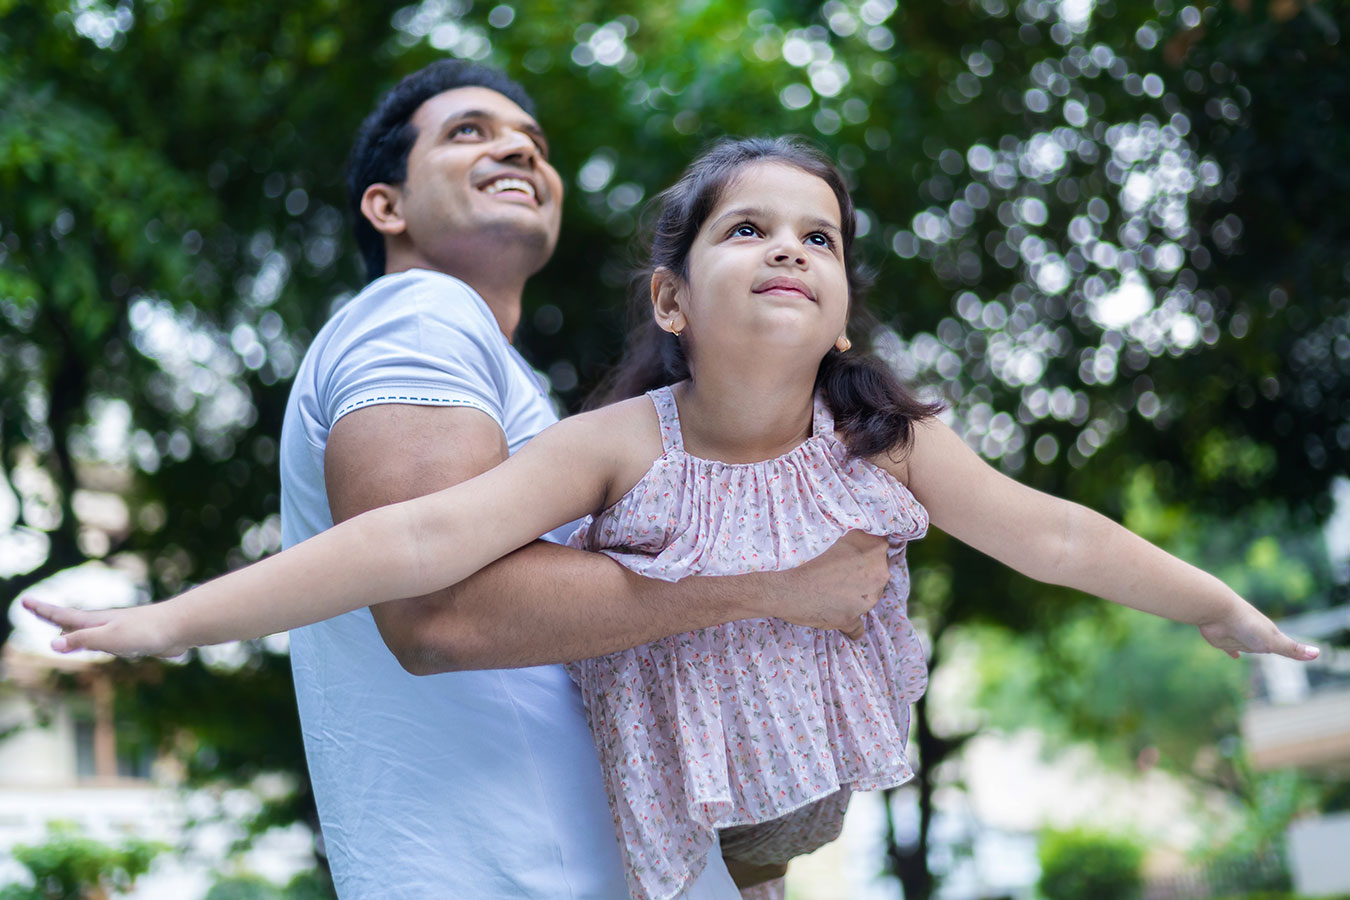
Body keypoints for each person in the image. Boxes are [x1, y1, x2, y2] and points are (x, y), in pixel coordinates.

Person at [27, 137, 1318, 900]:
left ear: (843, 306)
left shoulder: (885, 439)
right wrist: (166, 621)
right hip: (663, 801)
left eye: (818, 237)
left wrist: (1218, 606)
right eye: (748, 227)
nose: (789, 249)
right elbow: (410, 545)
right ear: (669, 300)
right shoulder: (615, 448)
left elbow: (1057, 535)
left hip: (809, 779)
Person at [28, 63, 894, 900]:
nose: (519, 151)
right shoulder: (421, 311)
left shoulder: (510, 386)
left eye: (533, 140)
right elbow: (442, 609)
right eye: (468, 133)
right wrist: (773, 588)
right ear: (387, 205)